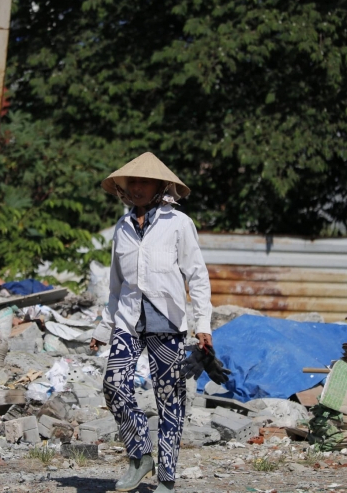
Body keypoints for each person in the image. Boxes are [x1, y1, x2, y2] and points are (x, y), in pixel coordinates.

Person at [90, 152, 213, 493]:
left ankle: (167, 479)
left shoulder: (178, 224)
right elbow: (116, 285)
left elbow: (197, 276)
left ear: (160, 186)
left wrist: (203, 323)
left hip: (168, 323)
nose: (138, 188)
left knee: (169, 399)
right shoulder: (123, 227)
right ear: (125, 188)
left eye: (145, 182)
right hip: (128, 320)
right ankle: (140, 455)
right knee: (113, 385)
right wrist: (103, 329)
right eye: (133, 182)